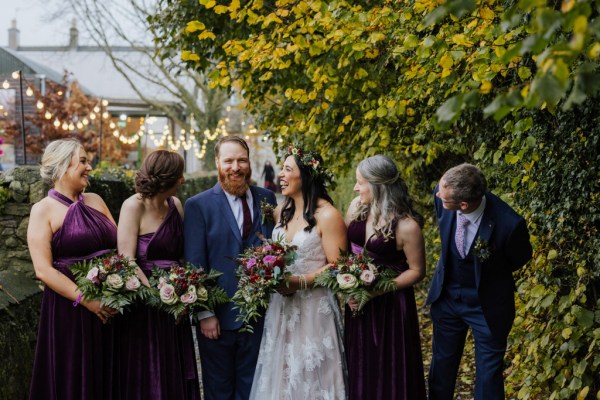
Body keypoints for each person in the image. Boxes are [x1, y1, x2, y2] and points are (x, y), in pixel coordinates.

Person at [426, 163, 533, 400]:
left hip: (488, 305)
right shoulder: (442, 195)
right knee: (441, 369)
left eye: (444, 198)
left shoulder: (510, 224)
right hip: (448, 299)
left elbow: (520, 258)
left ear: (463, 205)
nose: (437, 196)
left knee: (489, 376)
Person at [249, 146, 348, 400]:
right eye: (281, 168)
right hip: (281, 309)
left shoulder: (328, 215)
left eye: (287, 169)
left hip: (314, 309)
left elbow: (339, 266)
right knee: (282, 378)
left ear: (305, 175)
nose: (281, 174)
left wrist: (302, 282)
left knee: (314, 378)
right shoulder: (281, 211)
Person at [184, 136, 277, 400]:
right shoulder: (198, 205)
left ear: (249, 163)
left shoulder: (266, 198)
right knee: (219, 390)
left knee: (254, 388)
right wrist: (205, 314)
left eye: (241, 160)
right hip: (218, 319)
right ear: (217, 163)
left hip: (260, 314)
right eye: (228, 161)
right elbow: (194, 263)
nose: (235, 167)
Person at [27, 138, 118, 400]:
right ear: (63, 166)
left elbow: (119, 249)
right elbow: (43, 270)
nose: (89, 166)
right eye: (83, 161)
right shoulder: (42, 211)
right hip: (71, 311)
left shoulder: (96, 200)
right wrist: (88, 300)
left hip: (111, 305)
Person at [111, 150, 200, 399]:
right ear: (167, 178)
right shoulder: (133, 206)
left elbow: (182, 254)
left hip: (175, 299)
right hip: (144, 301)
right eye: (179, 175)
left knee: (173, 361)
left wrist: (184, 290)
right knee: (147, 365)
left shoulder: (176, 205)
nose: (183, 180)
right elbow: (126, 259)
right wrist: (155, 295)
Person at [344, 155, 427, 399]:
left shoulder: (406, 226)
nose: (356, 187)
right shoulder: (355, 208)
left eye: (361, 182)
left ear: (378, 185)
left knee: (389, 368)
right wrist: (348, 285)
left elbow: (417, 271)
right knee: (360, 363)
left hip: (391, 306)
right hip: (357, 302)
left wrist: (377, 290)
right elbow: (346, 254)